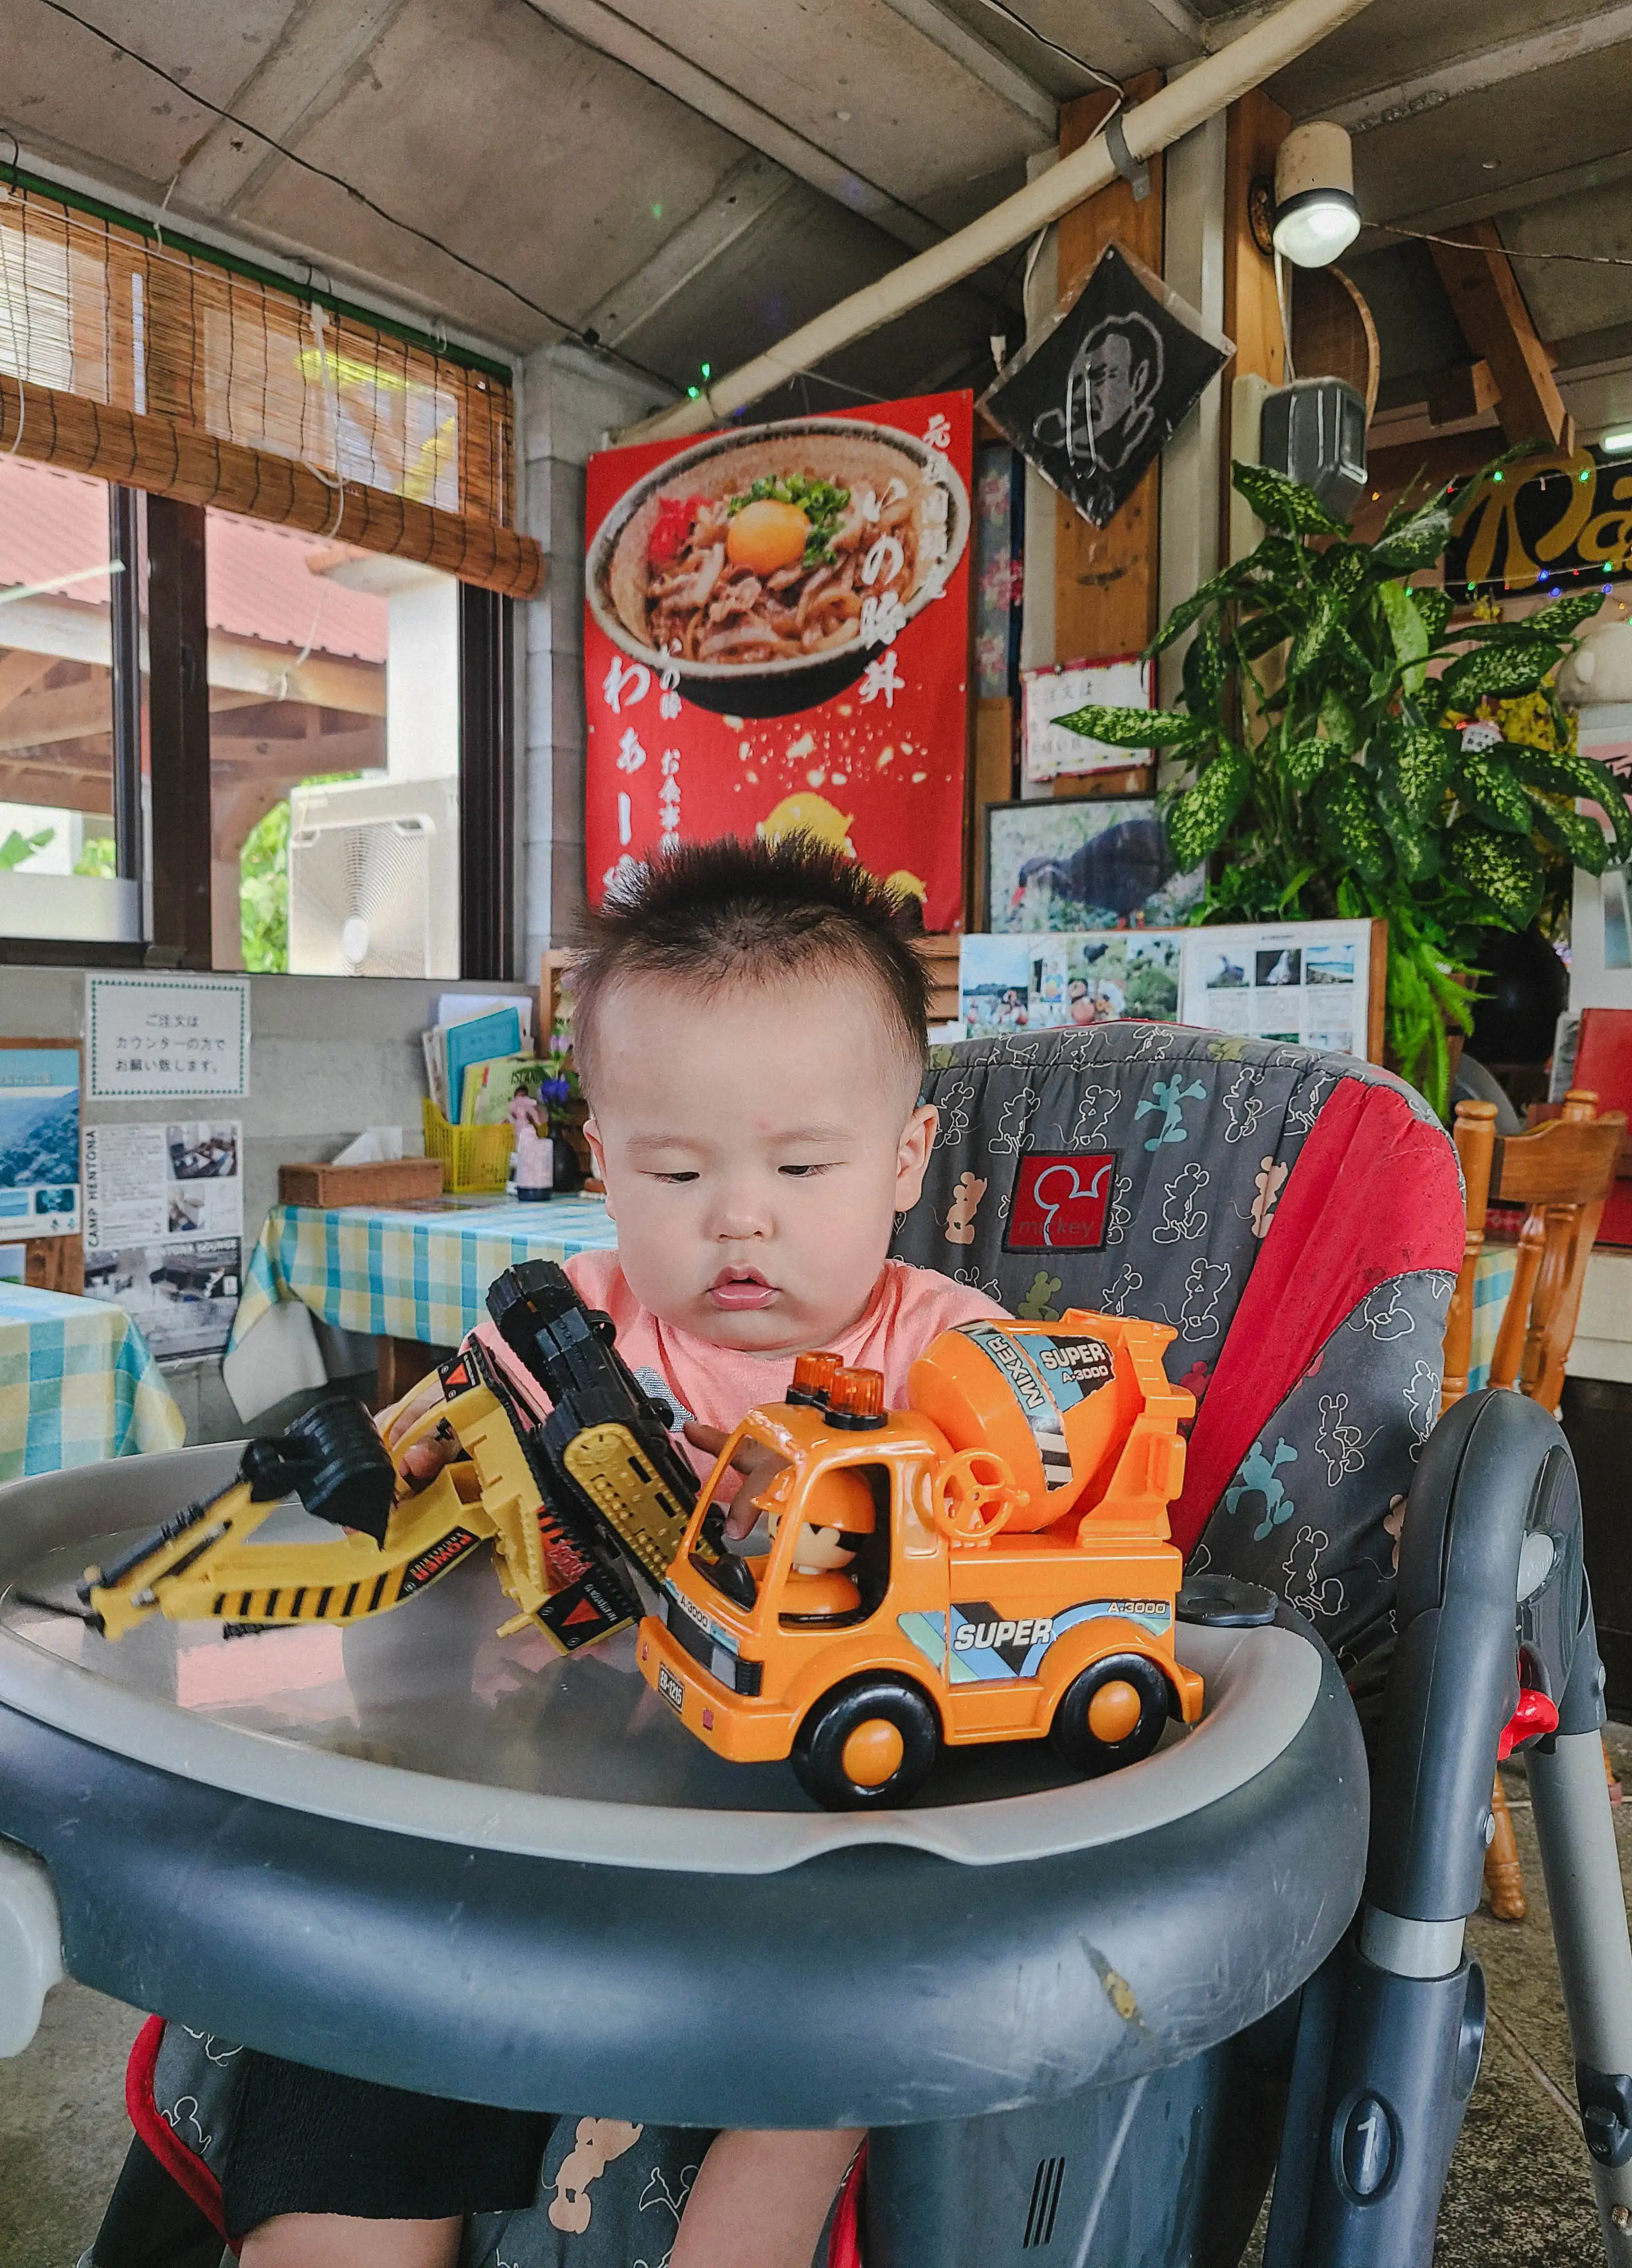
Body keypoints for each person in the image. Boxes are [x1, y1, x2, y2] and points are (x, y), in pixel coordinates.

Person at [169, 834, 1009, 2268]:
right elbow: (429, 1474)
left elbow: (1020, 1526)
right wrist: (378, 1465)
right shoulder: (562, 1330)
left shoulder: (955, 1356)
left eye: (804, 1164)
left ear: (906, 1162)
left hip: (797, 1839)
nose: (741, 1215)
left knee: (857, 2016)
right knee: (363, 1975)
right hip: (526, 1812)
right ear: (603, 1164)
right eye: (678, 1169)